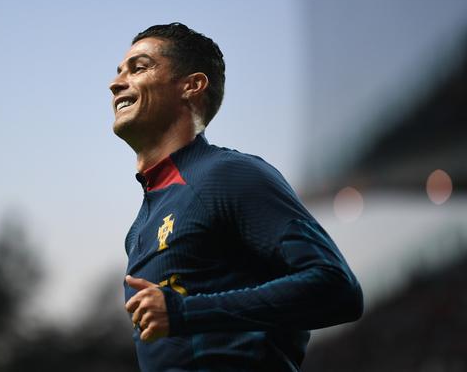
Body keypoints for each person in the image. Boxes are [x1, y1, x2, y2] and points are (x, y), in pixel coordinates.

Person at [110, 22, 363, 371]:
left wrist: (185, 311)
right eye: (119, 71)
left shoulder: (228, 176)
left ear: (192, 86)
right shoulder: (138, 230)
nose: (116, 82)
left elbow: (337, 288)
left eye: (139, 68)